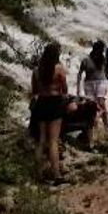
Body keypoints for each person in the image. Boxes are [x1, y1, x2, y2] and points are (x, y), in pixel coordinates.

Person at [30, 42, 70, 183]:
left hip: (41, 103)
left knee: (41, 140)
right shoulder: (59, 69)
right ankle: (57, 175)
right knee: (53, 141)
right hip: (55, 103)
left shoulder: (36, 70)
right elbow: (64, 89)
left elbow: (34, 91)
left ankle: (38, 174)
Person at [77, 41, 108, 132]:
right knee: (92, 106)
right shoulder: (86, 60)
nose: (101, 52)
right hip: (89, 84)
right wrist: (78, 89)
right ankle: (95, 127)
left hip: (101, 82)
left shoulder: (103, 59)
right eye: (100, 50)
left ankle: (106, 127)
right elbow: (79, 74)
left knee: (101, 103)